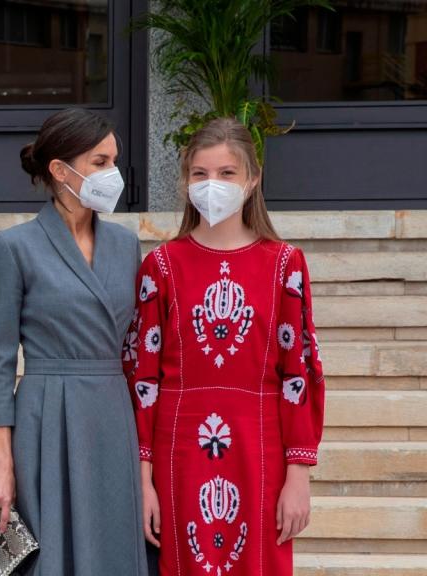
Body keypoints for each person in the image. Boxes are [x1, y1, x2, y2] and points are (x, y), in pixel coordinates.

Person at [125, 117, 325, 575]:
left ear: (252, 179)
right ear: (186, 180)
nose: (212, 183)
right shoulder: (161, 266)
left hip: (261, 448)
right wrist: (143, 480)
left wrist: (298, 473)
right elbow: (142, 379)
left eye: (226, 173)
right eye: (201, 173)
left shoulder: (286, 265)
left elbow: (299, 374)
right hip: (179, 448)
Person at [0, 108, 149, 575]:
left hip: (112, 416)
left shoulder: (126, 244)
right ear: (60, 170)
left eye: (114, 161)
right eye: (100, 162)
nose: (113, 173)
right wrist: (1, 463)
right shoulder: (15, 246)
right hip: (45, 419)